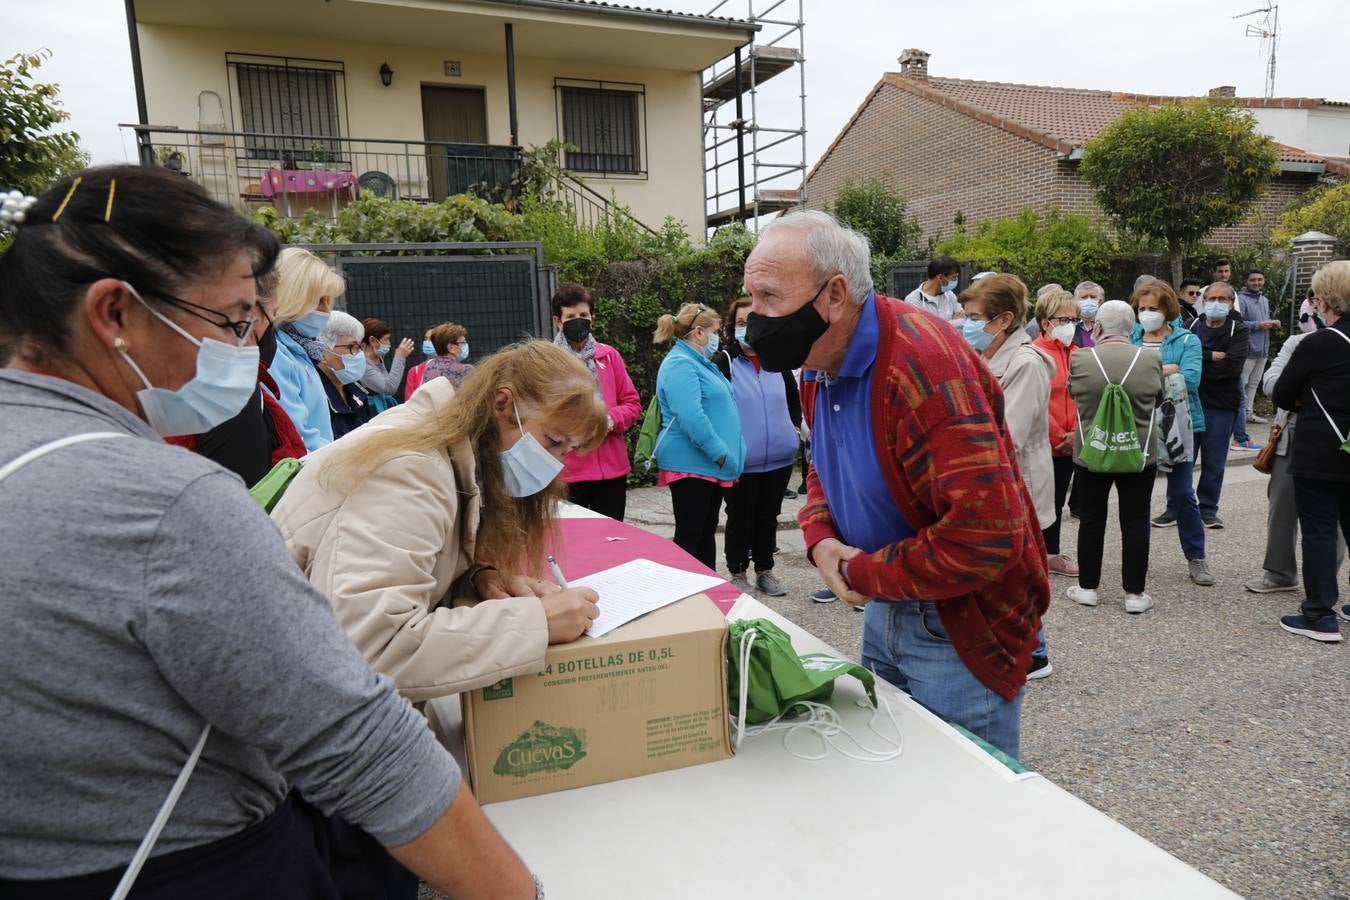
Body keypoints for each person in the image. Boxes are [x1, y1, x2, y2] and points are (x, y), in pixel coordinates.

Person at [0, 166, 537, 898]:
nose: (247, 349)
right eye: (230, 322)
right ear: (114, 313)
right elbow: (360, 741)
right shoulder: (168, 506)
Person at [744, 210, 1049, 760]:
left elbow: (985, 536)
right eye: (750, 297)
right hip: (888, 598)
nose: (753, 319)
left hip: (957, 624)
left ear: (834, 295)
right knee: (891, 778)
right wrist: (819, 538)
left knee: (961, 805)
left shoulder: (924, 364)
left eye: (768, 297)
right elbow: (825, 465)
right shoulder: (818, 360)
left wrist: (859, 570)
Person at [273, 340, 608, 695]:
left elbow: (400, 572)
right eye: (553, 440)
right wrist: (538, 622)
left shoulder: (445, 451)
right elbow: (370, 647)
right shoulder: (410, 469)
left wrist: (476, 579)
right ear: (502, 404)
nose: (556, 462)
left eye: (568, 450)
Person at [961, 274, 1057, 680]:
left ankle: (1036, 653)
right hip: (993, 479)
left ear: (1003, 320)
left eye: (973, 317)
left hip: (1016, 483)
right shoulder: (987, 356)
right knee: (999, 570)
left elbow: (1008, 436)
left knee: (1015, 572)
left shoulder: (1025, 363)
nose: (965, 324)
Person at [1066, 300, 1165, 614]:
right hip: (1139, 452)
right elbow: (1158, 397)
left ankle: (1087, 588)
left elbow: (1074, 395)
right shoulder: (1151, 358)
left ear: (1097, 326)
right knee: (1136, 522)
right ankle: (1134, 594)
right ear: (1132, 327)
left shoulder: (1081, 358)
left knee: (1092, 521)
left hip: (1091, 452)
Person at [163, 269, 307, 484]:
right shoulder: (229, 386)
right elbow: (246, 492)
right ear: (251, 313)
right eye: (272, 313)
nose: (273, 324)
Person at [1271, 261, 1350, 642]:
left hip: (1323, 448)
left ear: (1326, 300)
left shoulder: (1320, 342)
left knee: (1319, 529)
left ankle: (1320, 615)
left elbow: (1283, 393)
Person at [1247, 300, 1347, 595]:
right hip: (1291, 434)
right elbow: (1272, 382)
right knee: (1282, 507)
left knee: (1334, 518)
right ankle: (1280, 572)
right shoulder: (1298, 342)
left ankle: (1324, 584)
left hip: (1336, 440)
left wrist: (1307, 392)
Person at [715, 296, 803, 598]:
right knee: (740, 516)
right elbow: (714, 405)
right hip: (741, 459)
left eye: (752, 321)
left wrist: (793, 427)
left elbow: (794, 397)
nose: (747, 328)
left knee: (768, 516)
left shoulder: (777, 360)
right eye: (741, 323)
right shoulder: (724, 362)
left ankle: (765, 570)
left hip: (778, 458)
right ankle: (737, 572)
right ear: (732, 327)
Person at [1129, 281, 1214, 586]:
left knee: (1182, 493)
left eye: (1153, 308)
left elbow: (1190, 379)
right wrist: (1166, 368)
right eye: (1142, 308)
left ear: (1167, 309)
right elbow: (1123, 378)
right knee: (1138, 496)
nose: (1147, 314)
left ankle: (1196, 557)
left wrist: (1145, 370)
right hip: (1138, 424)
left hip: (1179, 426)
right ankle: (1137, 560)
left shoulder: (1187, 339)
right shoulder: (1132, 337)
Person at [653, 302, 746, 571]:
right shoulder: (680, 365)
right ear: (698, 333)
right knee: (691, 538)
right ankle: (688, 598)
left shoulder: (697, 362)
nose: (718, 337)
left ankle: (709, 592)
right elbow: (691, 416)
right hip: (692, 465)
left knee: (704, 535)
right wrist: (719, 453)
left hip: (706, 465)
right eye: (715, 331)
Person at [551, 283, 641, 521]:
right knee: (576, 546)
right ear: (558, 321)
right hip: (569, 471)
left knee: (613, 543)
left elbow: (632, 403)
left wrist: (609, 420)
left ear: (593, 318)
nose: (578, 320)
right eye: (570, 316)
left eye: (583, 315)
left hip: (611, 470)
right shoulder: (548, 363)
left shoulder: (609, 356)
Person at [1170, 282, 1250, 529]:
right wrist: (1209, 356)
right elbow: (1179, 359)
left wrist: (1196, 364)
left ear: (1230, 302)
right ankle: (1174, 508)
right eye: (1211, 298)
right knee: (1181, 458)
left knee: (1214, 461)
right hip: (1188, 402)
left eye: (1222, 299)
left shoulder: (1239, 329)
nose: (1216, 303)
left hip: (1221, 405)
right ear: (1203, 301)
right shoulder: (1191, 325)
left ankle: (1207, 509)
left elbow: (1232, 367)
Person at [1032, 287, 1082, 579]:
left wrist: (1076, 432)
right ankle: (1032, 554)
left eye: (1073, 319)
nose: (1069, 326)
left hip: (1071, 440)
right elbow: (1035, 401)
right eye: (1063, 319)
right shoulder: (1033, 352)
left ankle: (1050, 553)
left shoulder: (1080, 354)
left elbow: (1088, 398)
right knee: (1035, 500)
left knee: (1057, 501)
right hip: (1042, 442)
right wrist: (1057, 435)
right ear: (1045, 321)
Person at [272, 247, 343, 451]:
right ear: (293, 297)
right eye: (320, 300)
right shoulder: (277, 355)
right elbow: (297, 435)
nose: (327, 311)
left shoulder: (300, 349)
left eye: (328, 301)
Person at [1233, 268, 1278, 446]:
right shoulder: (1240, 299)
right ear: (1246, 281)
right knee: (1242, 383)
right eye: (1253, 280)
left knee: (1253, 384)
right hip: (1248, 349)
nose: (1257, 283)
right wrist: (1260, 325)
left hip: (1263, 349)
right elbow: (1239, 323)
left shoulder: (1264, 299)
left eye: (1260, 280)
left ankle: (1249, 413)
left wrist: (1270, 324)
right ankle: (1239, 416)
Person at [315, 311, 374, 440]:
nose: (359, 354)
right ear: (323, 351)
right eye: (352, 347)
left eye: (360, 347)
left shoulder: (358, 392)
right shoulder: (315, 397)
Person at [358, 316, 413, 407]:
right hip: (370, 410)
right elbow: (389, 388)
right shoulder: (362, 364)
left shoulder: (377, 356)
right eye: (386, 339)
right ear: (372, 340)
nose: (388, 343)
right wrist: (400, 357)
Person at [903, 256, 962, 321]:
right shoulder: (913, 300)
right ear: (940, 277)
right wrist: (953, 322)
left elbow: (962, 319)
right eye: (954, 277)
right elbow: (921, 328)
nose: (956, 280)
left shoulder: (949, 295)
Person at [421, 322, 474, 391]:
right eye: (463, 343)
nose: (464, 346)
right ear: (451, 348)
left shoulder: (429, 366)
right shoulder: (466, 370)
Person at [403, 326, 438, 400]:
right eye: (425, 339)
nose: (427, 342)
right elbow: (408, 402)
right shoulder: (415, 371)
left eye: (432, 339)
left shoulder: (453, 369)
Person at [1072, 281, 1104, 348]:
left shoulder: (1107, 325)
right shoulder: (1070, 326)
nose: (1088, 300)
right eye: (1084, 297)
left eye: (1093, 297)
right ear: (1075, 301)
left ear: (1100, 301)